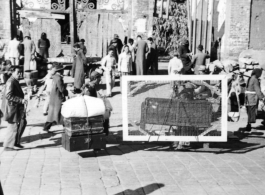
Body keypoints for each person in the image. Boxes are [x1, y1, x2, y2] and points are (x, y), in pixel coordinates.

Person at [1, 66, 27, 151]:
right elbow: (8, 95)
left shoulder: (14, 81)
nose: (20, 74)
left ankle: (15, 142)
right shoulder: (11, 82)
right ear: (12, 72)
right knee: (13, 126)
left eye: (20, 72)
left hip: (15, 107)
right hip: (12, 108)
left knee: (21, 123)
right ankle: (8, 146)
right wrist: (21, 100)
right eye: (17, 72)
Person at [43, 63, 67, 132]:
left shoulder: (55, 77)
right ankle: (66, 126)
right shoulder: (59, 78)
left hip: (53, 97)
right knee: (61, 112)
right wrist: (65, 89)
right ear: (60, 71)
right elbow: (61, 89)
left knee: (51, 114)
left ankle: (46, 127)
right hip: (58, 97)